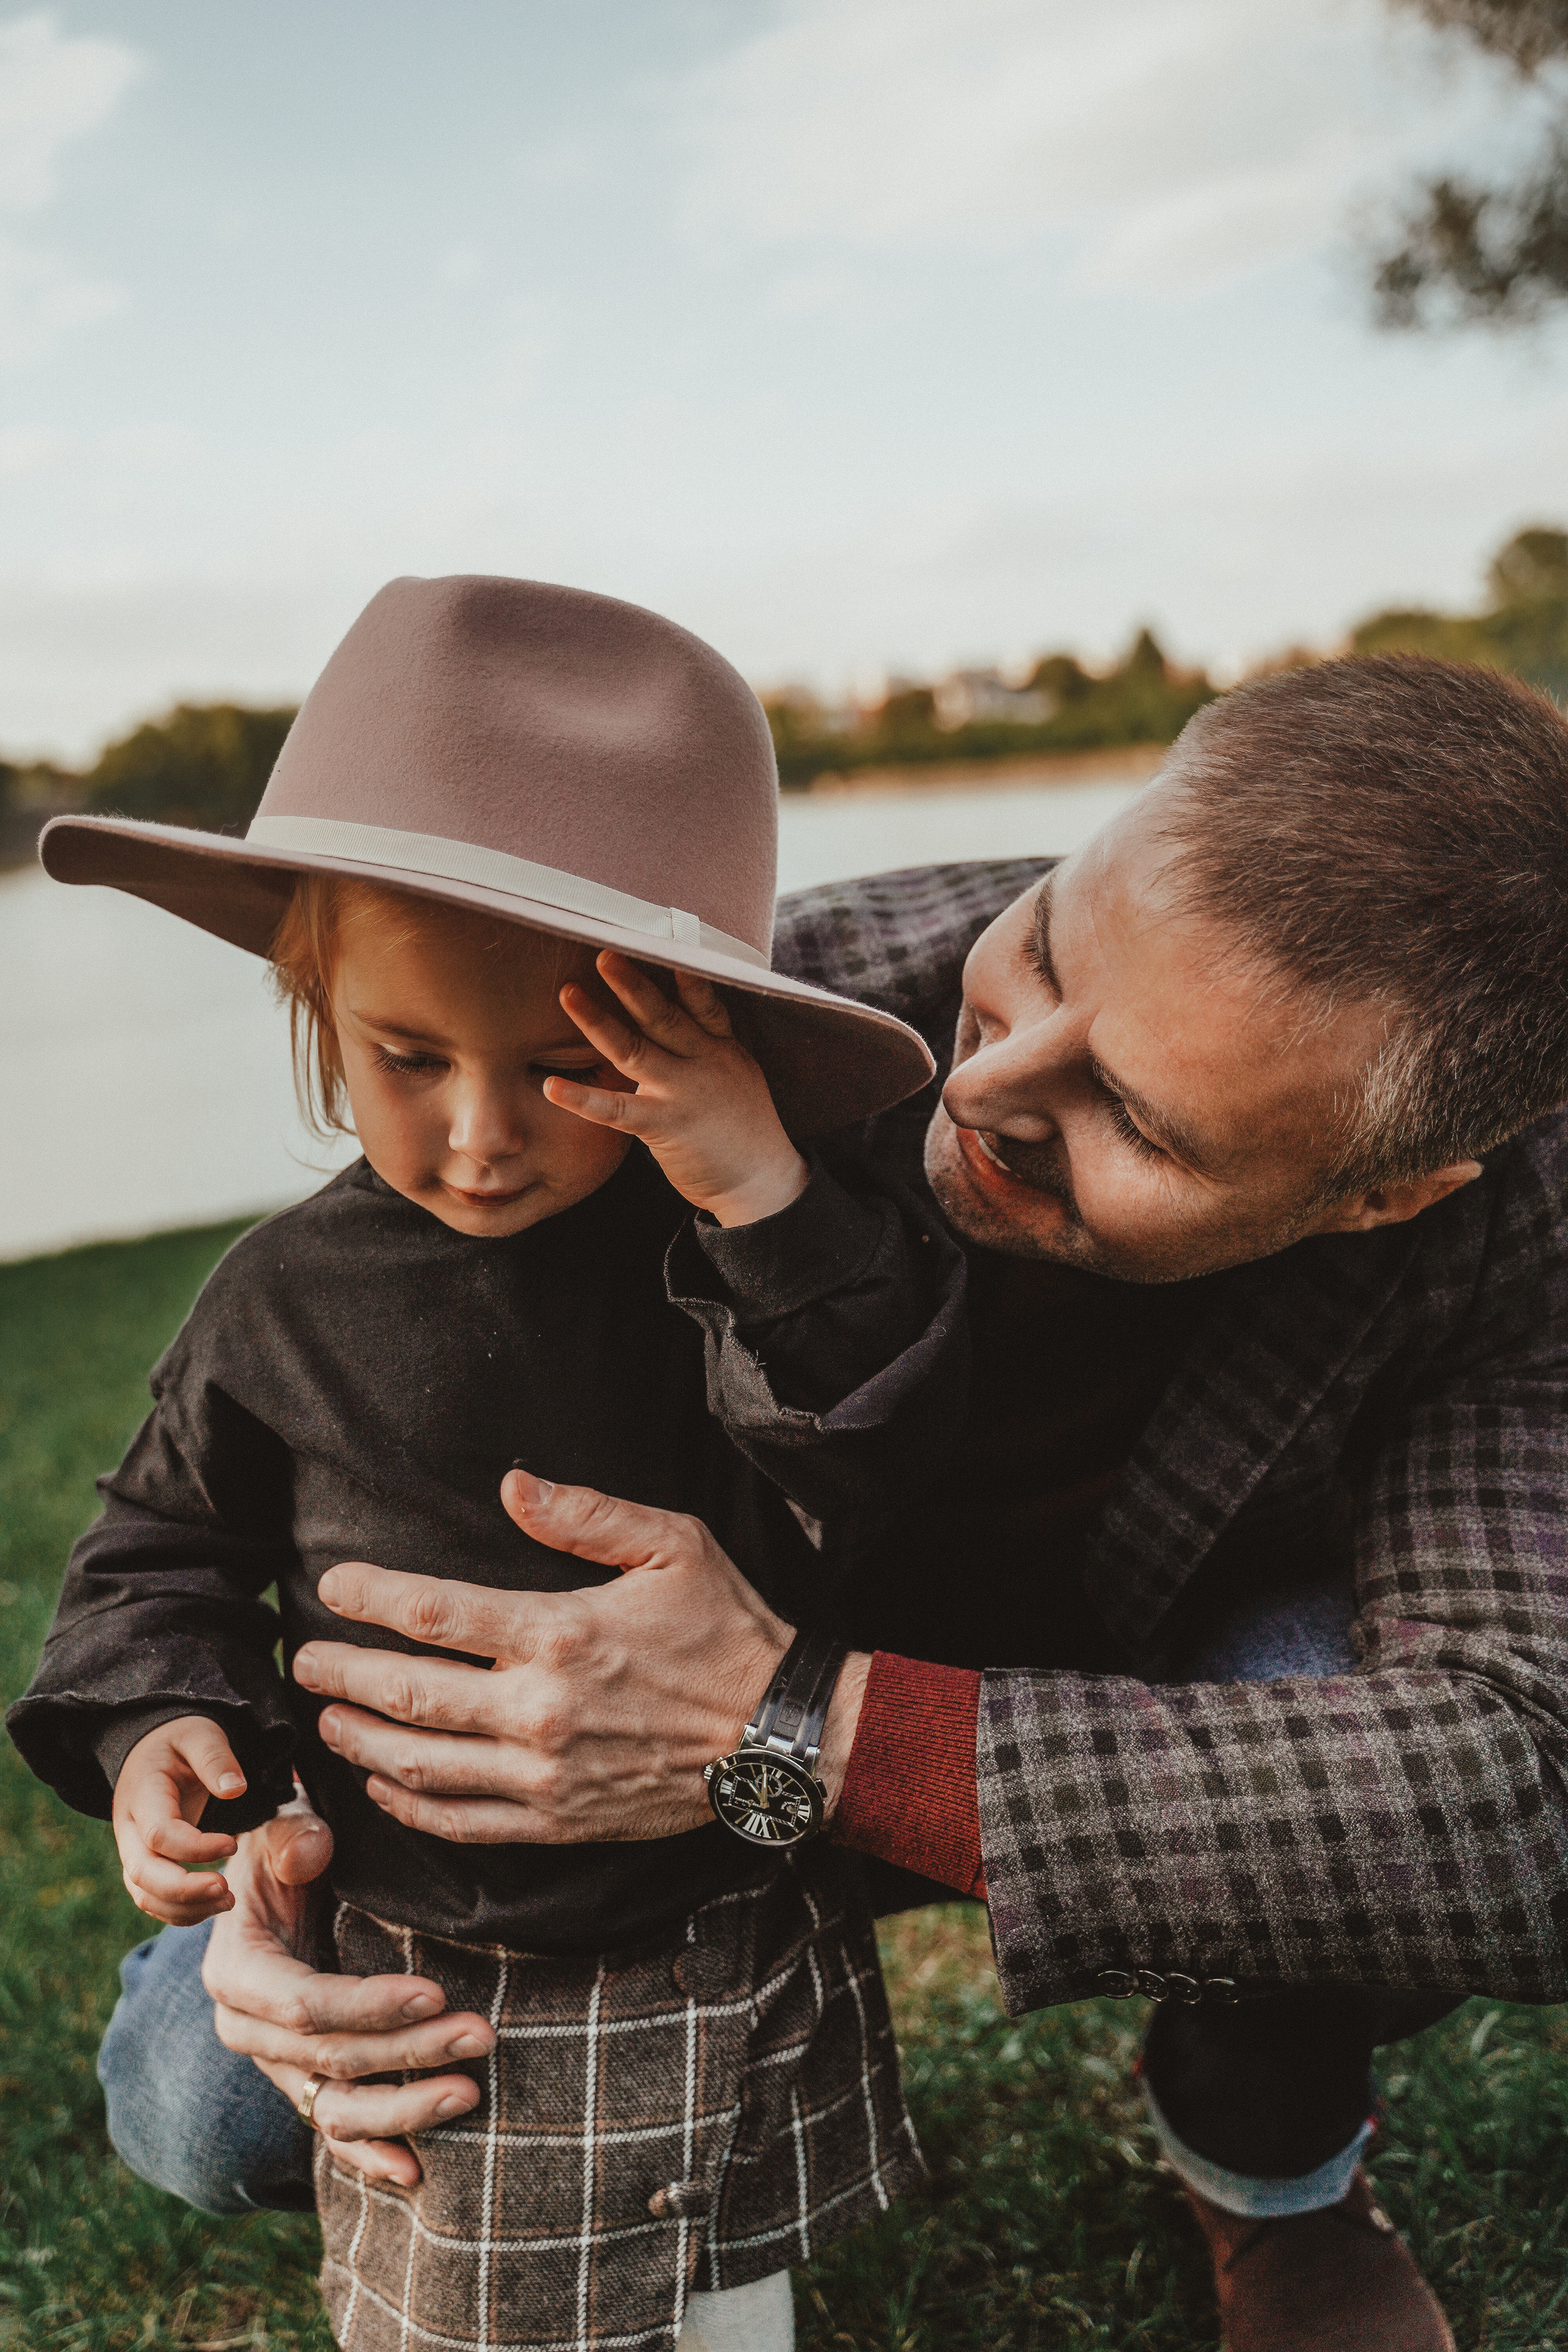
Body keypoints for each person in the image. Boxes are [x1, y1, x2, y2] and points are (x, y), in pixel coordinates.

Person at [51, 652, 1568, 2350]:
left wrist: (799, 1729)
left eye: (1138, 1122)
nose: (986, 1088)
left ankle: (1271, 2166)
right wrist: (264, 1850)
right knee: (205, 2105)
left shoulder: (1518, 1231)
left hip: (1082, 1717)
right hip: (607, 1788)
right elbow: (355, 1400)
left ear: (1389, 1195)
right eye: (1043, 954)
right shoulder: (707, 1011)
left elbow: (1533, 1794)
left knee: (1369, 1791)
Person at [7, 575, 974, 2352]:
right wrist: (155, 1724)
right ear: (315, 997)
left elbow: (882, 1443)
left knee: (728, 2274)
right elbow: (157, 1548)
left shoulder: (735, 1244)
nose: (479, 1133)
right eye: (406, 1056)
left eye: (559, 1066)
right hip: (426, 1917)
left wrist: (758, 1187)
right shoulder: (281, 1300)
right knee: (471, 2254)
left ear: (685, 1037)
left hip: (721, 1870)